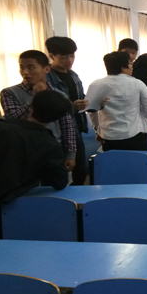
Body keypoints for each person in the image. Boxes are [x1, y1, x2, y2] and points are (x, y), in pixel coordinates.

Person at [0, 90, 71, 238]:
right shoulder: (49, 144)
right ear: (57, 118)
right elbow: (59, 182)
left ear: (31, 106)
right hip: (8, 210)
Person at [1, 50, 77, 173]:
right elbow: (12, 119)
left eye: (31, 67)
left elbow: (67, 126)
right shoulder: (9, 93)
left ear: (46, 69)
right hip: (22, 151)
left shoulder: (59, 95)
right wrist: (36, 97)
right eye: (22, 67)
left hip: (53, 148)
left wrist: (71, 154)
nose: (25, 72)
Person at [88, 51, 147, 151]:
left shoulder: (96, 84)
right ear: (123, 68)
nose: (132, 66)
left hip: (108, 136)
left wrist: (98, 130)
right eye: (130, 63)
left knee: (113, 160)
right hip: (134, 134)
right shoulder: (138, 84)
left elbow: (91, 111)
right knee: (137, 160)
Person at [45, 36, 89, 185]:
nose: (69, 60)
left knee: (80, 171)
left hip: (77, 128)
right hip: (59, 132)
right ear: (52, 56)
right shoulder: (47, 77)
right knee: (61, 173)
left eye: (72, 56)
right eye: (64, 57)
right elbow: (49, 105)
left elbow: (79, 96)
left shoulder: (73, 75)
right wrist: (72, 106)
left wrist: (94, 101)